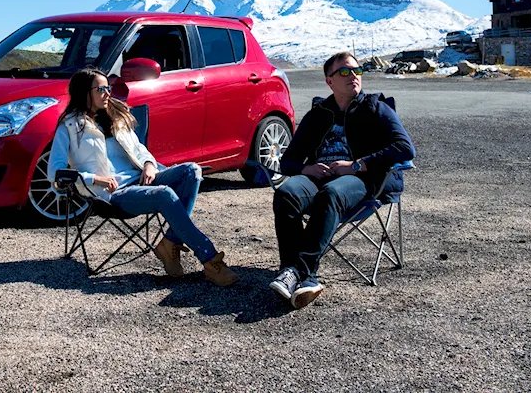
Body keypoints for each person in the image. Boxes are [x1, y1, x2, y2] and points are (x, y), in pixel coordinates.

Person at [49, 67, 239, 287]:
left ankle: (170, 242)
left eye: (108, 88)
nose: (107, 93)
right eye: (101, 89)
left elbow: (139, 149)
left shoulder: (116, 118)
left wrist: (149, 164)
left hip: (141, 179)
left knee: (192, 171)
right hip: (114, 194)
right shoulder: (69, 128)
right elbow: (56, 173)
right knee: (165, 195)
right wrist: (94, 179)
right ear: (84, 92)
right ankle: (210, 259)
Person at [269, 51, 415, 309]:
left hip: (362, 179)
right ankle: (296, 274)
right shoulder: (318, 114)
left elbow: (405, 148)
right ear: (330, 81)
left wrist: (358, 165)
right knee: (287, 193)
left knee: (331, 195)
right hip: (318, 177)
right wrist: (306, 169)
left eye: (357, 71)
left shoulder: (376, 108)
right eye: (345, 72)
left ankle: (301, 272)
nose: (354, 76)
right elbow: (287, 161)